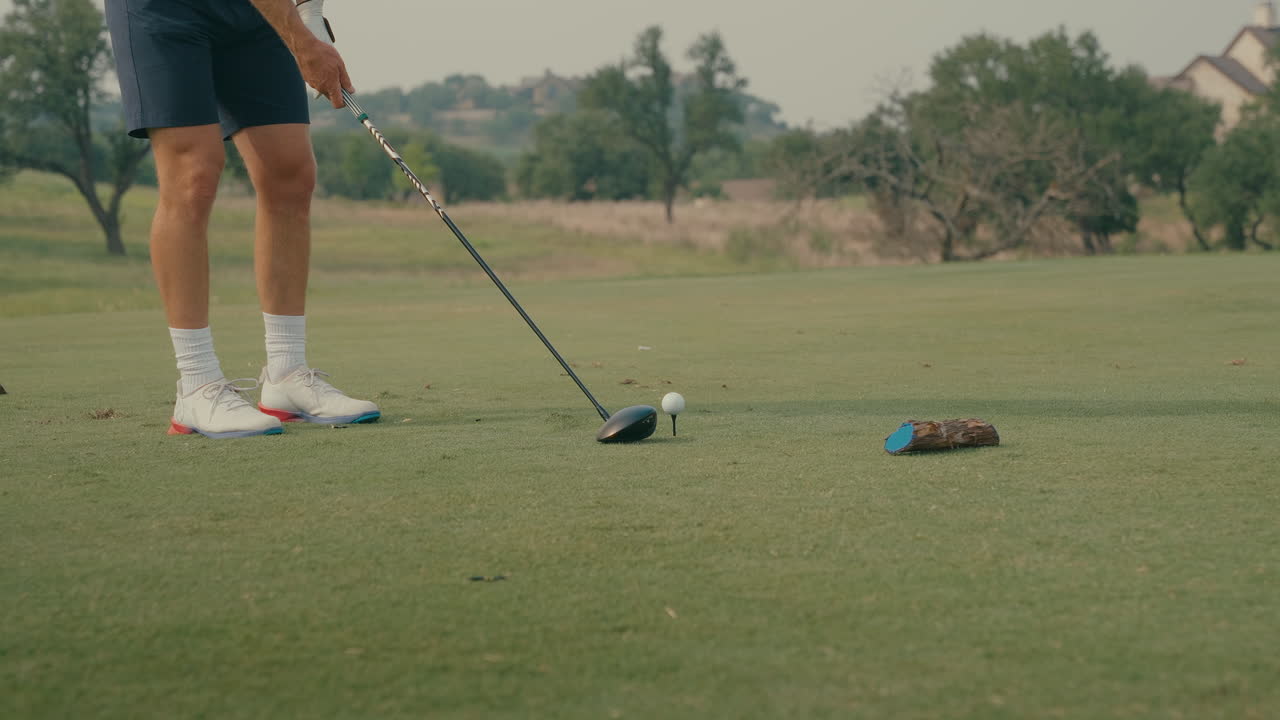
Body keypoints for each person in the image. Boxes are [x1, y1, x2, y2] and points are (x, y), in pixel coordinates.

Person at [104, 0, 379, 438]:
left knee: (290, 174)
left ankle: (287, 375)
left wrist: (307, 15)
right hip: (163, 10)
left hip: (254, 12)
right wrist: (302, 42)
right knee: (194, 174)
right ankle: (196, 386)